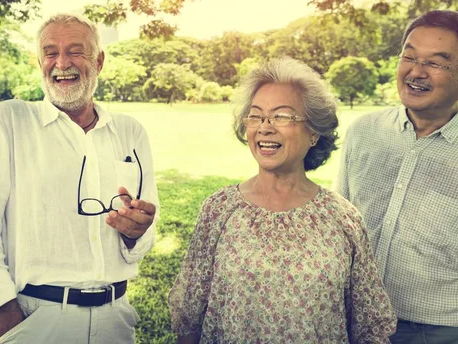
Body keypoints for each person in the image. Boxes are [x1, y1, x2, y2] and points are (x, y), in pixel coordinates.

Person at [0, 13, 159, 343]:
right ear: (40, 61)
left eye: (75, 51)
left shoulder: (130, 132)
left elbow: (146, 232)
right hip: (35, 317)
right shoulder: (11, 121)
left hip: (115, 318)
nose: (61, 63)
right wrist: (2, 311)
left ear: (99, 61)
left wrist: (136, 233)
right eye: (50, 52)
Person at [169, 58, 396, 343]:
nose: (265, 127)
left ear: (314, 132)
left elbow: (369, 327)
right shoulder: (219, 209)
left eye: (282, 116)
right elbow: (189, 318)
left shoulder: (342, 217)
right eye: (256, 116)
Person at [337, 10, 458, 344]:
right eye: (409, 56)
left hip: (440, 330)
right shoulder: (364, 131)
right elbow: (341, 225)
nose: (416, 72)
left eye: (436, 62)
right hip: (356, 318)